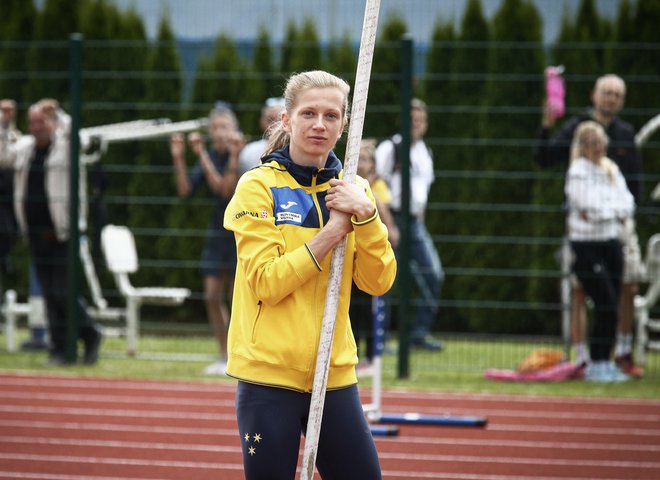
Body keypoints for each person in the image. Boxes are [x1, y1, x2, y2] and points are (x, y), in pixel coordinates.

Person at [223, 70, 396, 479]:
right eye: (309, 113)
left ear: (343, 125)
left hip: (333, 373)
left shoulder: (355, 191)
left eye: (332, 116)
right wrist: (331, 234)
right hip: (268, 377)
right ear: (287, 120)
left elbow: (378, 282)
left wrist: (367, 216)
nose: (320, 124)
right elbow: (266, 281)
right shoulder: (257, 187)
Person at [534, 74, 644, 377]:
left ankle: (619, 353)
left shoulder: (623, 137)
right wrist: (546, 123)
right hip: (586, 238)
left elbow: (632, 192)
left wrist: (616, 213)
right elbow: (545, 157)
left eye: (617, 94)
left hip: (619, 232)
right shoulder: (576, 135)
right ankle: (586, 358)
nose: (611, 98)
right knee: (584, 293)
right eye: (606, 92)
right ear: (594, 95)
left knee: (626, 288)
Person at [0, 101, 103, 365]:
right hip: (35, 234)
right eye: (32, 122)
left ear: (51, 123)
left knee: (63, 291)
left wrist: (58, 114)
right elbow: (3, 156)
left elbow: (81, 139)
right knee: (49, 294)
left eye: (41, 122)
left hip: (62, 233)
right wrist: (4, 123)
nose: (36, 127)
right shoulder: (25, 148)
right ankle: (59, 349)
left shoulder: (66, 145)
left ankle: (89, 335)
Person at [170, 104, 244, 375]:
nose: (219, 132)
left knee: (238, 297)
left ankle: (239, 355)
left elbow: (224, 190)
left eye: (224, 127)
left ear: (234, 129)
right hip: (217, 232)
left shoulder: (242, 154)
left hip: (241, 233)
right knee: (212, 295)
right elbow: (185, 190)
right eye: (214, 128)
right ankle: (223, 355)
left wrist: (201, 153)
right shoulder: (211, 155)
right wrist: (179, 157)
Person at [565, 121, 634, 382]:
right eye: (592, 143)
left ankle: (606, 360)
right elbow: (589, 209)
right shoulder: (578, 173)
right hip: (586, 246)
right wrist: (611, 212)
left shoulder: (611, 170)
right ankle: (595, 362)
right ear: (582, 147)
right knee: (603, 301)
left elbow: (627, 203)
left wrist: (610, 213)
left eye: (601, 142)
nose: (598, 147)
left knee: (613, 304)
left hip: (611, 243)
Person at [375, 98, 445, 351]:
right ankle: (379, 338)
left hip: (415, 221)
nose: (415, 124)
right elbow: (376, 187)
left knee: (433, 273)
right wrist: (389, 225)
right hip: (390, 216)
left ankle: (419, 333)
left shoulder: (425, 152)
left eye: (420, 120)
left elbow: (423, 193)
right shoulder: (389, 148)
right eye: (411, 119)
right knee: (385, 278)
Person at [350, 138, 399, 377]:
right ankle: (354, 354)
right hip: (351, 256)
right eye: (357, 159)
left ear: (373, 165)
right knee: (352, 310)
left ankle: (371, 356)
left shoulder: (377, 186)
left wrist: (366, 190)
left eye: (365, 160)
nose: (360, 164)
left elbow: (384, 213)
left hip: (368, 256)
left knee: (370, 310)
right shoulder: (346, 183)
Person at [237, 97, 285, 176]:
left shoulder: (297, 152)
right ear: (261, 121)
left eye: (278, 120)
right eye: (270, 119)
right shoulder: (249, 151)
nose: (274, 125)